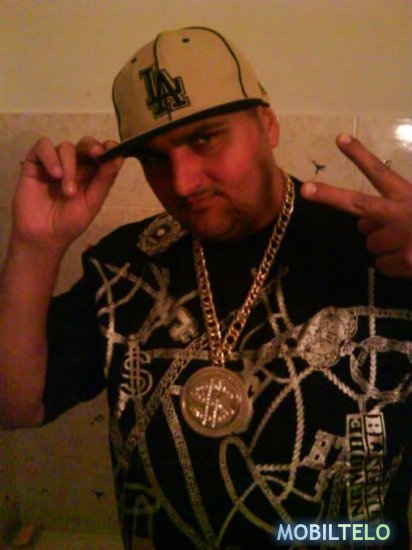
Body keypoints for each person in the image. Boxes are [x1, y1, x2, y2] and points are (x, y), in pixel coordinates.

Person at [0, 26, 411, 550]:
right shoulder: (125, 267)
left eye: (204, 137)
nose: (182, 183)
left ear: (267, 124)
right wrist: (35, 246)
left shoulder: (384, 250)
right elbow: (14, 406)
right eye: (154, 157)